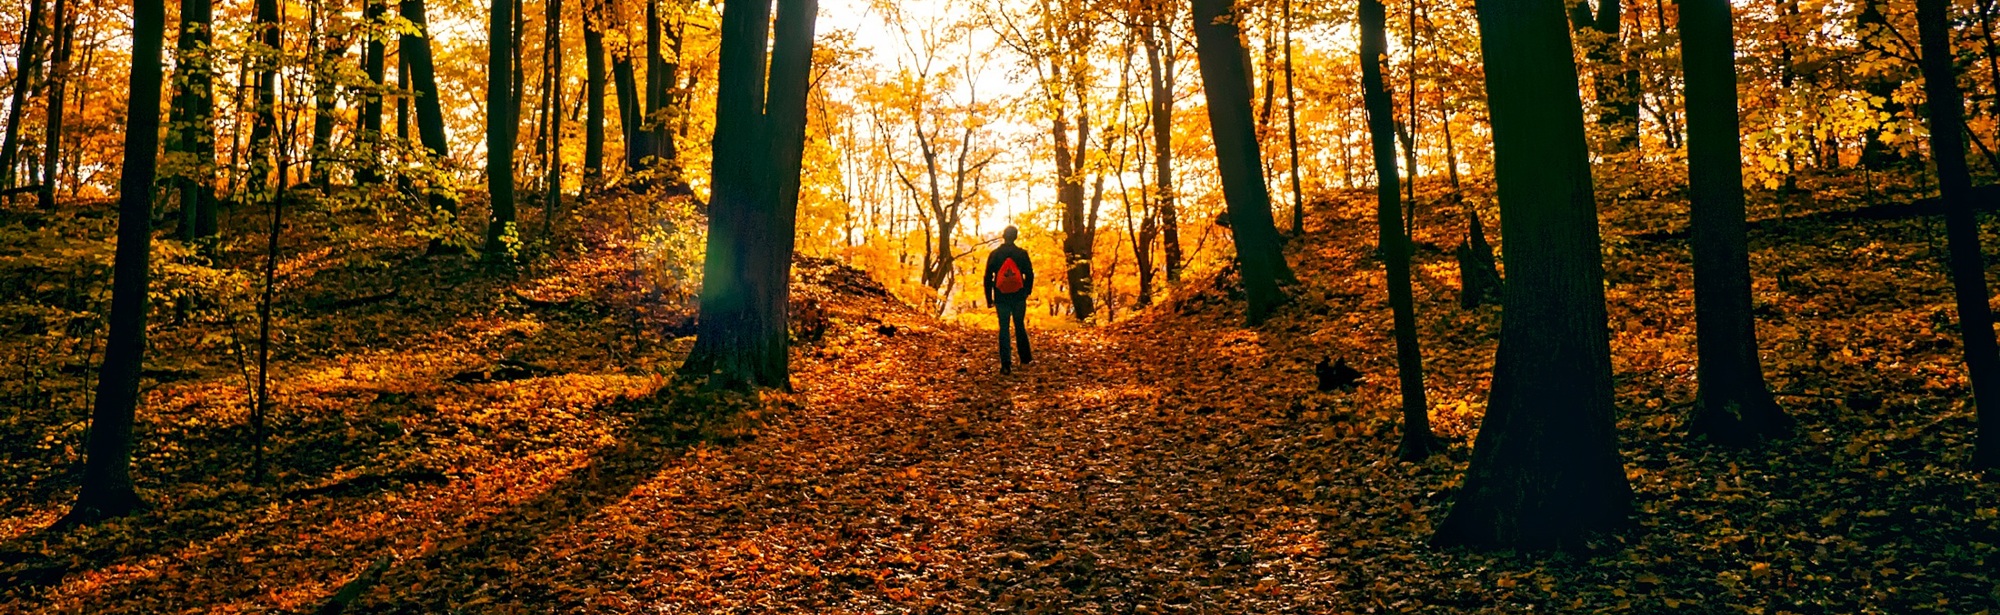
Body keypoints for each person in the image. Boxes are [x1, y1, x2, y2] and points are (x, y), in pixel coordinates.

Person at [984, 225, 1034, 374]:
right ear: (1016, 237)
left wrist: (989, 298)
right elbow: (1030, 275)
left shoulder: (995, 254)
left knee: (1004, 328)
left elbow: (987, 277)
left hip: (1001, 297)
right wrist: (1026, 292)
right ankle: (1025, 360)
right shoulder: (1022, 254)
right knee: (1019, 326)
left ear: (1003, 236)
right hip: (1018, 296)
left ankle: (1006, 364)